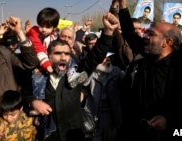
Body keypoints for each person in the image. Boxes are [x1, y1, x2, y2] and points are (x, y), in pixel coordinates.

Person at [26, 11, 119, 141]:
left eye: (66, 53)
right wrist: (33, 102)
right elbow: (24, 93)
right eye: (58, 53)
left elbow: (95, 56)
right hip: (48, 134)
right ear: (49, 55)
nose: (63, 57)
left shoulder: (75, 78)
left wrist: (108, 31)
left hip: (73, 134)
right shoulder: (39, 76)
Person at [118, 0, 182, 140]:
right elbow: (129, 32)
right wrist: (122, 5)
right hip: (136, 131)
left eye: (151, 34)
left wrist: (168, 120)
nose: (145, 36)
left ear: (167, 42)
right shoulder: (146, 54)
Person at [26, 7, 87, 90]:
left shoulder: (55, 35)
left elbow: (71, 39)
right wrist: (46, 64)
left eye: (47, 27)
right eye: (41, 26)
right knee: (38, 79)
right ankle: (38, 99)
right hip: (42, 62)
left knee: (69, 58)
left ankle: (72, 75)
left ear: (54, 27)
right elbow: (39, 51)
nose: (43, 29)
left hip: (54, 62)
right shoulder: (35, 35)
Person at [83, 52, 125, 141]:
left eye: (109, 57)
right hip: (94, 115)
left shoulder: (116, 72)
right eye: (104, 57)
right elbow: (84, 82)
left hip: (111, 115)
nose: (107, 59)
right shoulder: (92, 73)